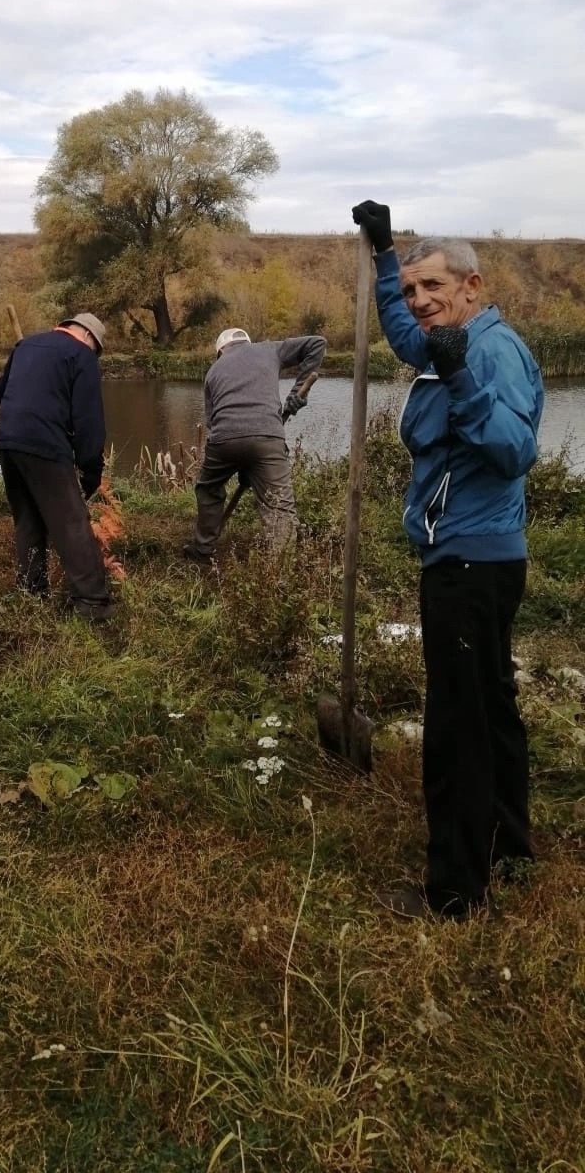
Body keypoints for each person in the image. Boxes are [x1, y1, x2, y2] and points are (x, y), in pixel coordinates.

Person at [352, 200, 544, 920]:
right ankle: (509, 851)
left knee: (458, 725)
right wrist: (382, 258)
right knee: (491, 708)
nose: (420, 301)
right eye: (412, 288)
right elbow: (407, 339)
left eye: (434, 286)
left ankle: (456, 893)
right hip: (477, 559)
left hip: (468, 564)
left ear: (473, 285)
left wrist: (462, 378)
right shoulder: (449, 337)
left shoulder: (487, 350)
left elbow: (513, 452)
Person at [0, 312, 113, 621]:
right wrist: (90, 469)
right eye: (96, 350)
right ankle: (92, 603)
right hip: (44, 443)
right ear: (89, 338)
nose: (94, 355)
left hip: (8, 442)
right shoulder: (82, 355)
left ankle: (31, 593)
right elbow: (88, 420)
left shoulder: (26, 346)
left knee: (28, 520)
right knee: (71, 522)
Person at [184, 326, 326, 560]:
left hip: (223, 440)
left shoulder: (212, 371)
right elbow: (317, 343)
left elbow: (211, 421)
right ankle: (280, 569)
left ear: (220, 351)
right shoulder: (269, 349)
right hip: (268, 436)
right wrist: (296, 393)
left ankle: (203, 548)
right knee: (279, 504)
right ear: (247, 342)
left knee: (208, 489)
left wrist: (239, 460)